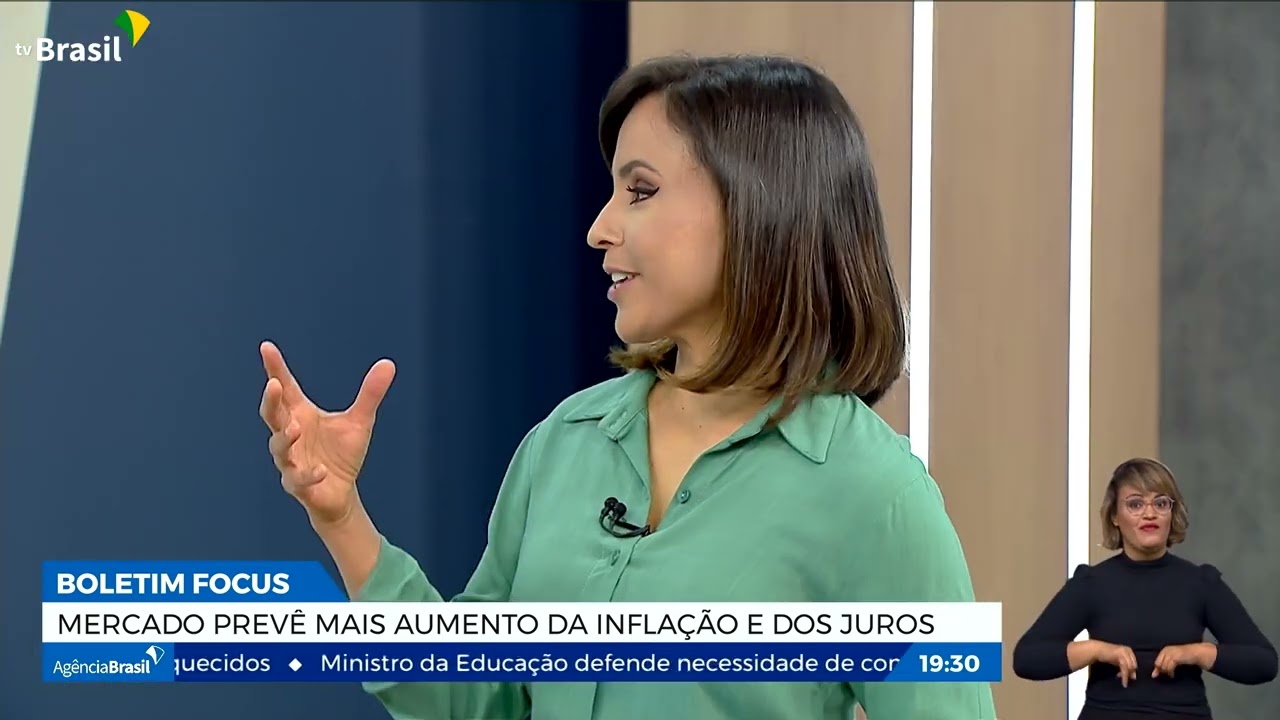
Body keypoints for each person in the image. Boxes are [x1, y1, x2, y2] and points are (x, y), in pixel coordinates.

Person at [259, 54, 995, 720]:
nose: (599, 228)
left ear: (757, 206)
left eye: (640, 191)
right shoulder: (564, 444)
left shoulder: (876, 494)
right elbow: (479, 700)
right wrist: (342, 517)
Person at [1013, 457, 1277, 719]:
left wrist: (1195, 652)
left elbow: (1263, 662)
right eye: (1135, 504)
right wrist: (1098, 650)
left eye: (1160, 503)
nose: (1149, 514)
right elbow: (1027, 659)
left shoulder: (1201, 583)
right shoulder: (1092, 583)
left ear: (1171, 513)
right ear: (1115, 516)